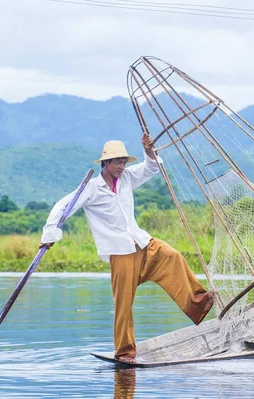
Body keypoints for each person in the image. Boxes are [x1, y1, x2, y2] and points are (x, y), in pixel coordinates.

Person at [40, 133, 215, 363]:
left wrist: (149, 150)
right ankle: (124, 353)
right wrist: (50, 233)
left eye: (124, 162)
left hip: (141, 242)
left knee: (172, 256)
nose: (122, 166)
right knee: (123, 303)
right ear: (107, 163)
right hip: (119, 251)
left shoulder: (127, 178)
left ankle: (198, 302)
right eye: (118, 162)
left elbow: (150, 168)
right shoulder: (92, 188)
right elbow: (64, 206)